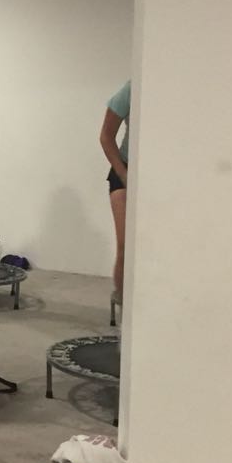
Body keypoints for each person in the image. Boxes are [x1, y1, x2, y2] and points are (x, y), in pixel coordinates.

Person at [99, 79, 130, 302]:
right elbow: (106, 136)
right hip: (125, 170)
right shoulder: (132, 88)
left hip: (158, 174)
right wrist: (123, 173)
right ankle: (123, 302)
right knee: (126, 244)